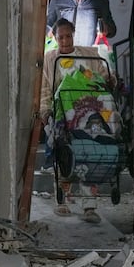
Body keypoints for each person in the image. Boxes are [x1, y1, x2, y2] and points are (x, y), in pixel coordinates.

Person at [40, 18, 112, 224]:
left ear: (73, 35)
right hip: (63, 114)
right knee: (64, 156)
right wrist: (45, 111)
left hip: (90, 113)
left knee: (89, 156)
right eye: (60, 37)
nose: (65, 41)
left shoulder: (88, 55)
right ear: (55, 38)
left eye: (68, 36)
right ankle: (62, 200)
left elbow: (104, 77)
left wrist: (109, 81)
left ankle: (90, 205)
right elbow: (45, 88)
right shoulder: (50, 59)